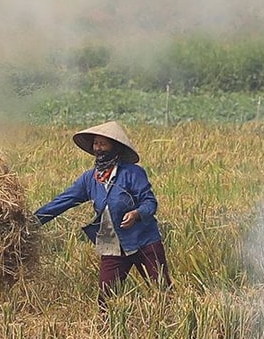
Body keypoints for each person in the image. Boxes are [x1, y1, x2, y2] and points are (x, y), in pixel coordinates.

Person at [34, 121, 171, 307]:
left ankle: (167, 320)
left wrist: (136, 214)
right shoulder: (90, 179)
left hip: (143, 241)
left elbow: (150, 202)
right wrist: (32, 221)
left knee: (162, 290)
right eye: (96, 144)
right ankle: (108, 329)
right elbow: (62, 201)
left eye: (103, 144)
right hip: (112, 244)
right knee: (106, 297)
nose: (98, 148)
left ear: (115, 148)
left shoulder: (132, 174)